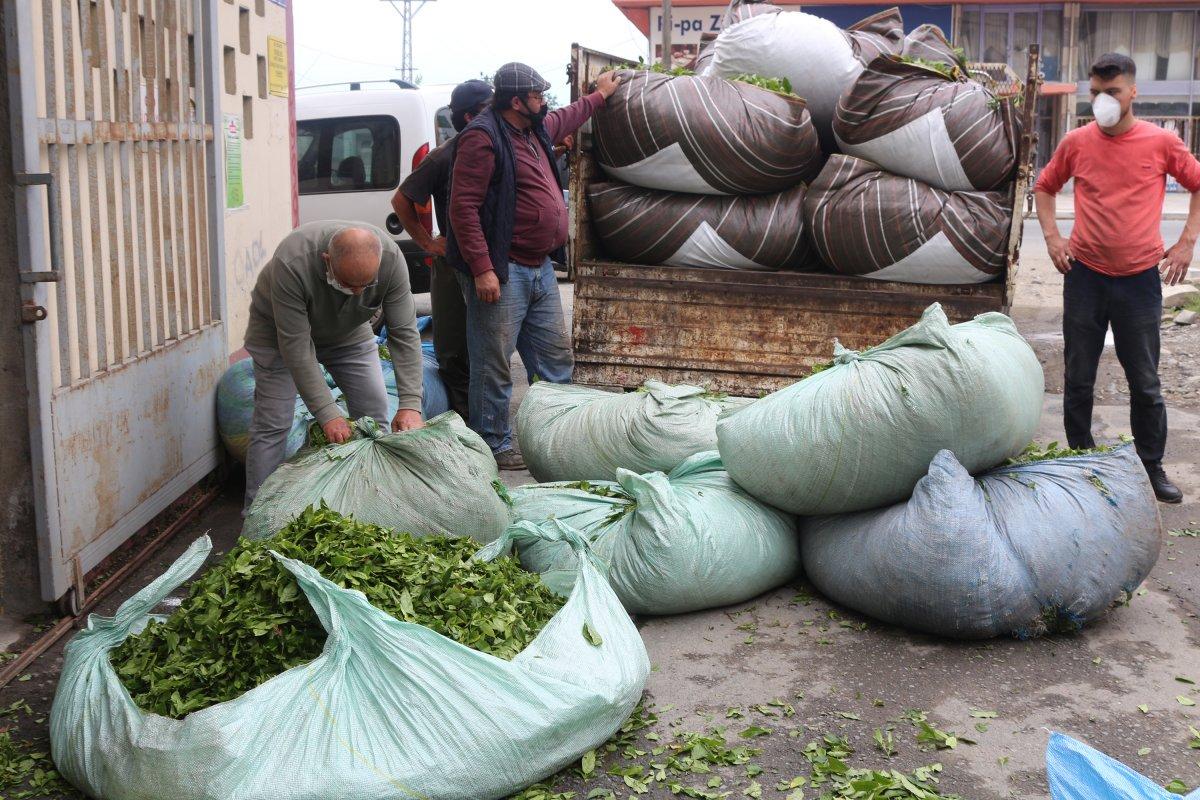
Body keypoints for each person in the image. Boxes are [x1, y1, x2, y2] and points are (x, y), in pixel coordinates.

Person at [1034, 53, 1200, 504]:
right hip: (1085, 275)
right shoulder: (1076, 142)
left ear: (1133, 93)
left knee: (1144, 380)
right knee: (1079, 376)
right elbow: (1045, 186)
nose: (1102, 101)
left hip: (1139, 281)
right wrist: (1052, 238)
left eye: (1112, 92)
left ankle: (1151, 468)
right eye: (1095, 93)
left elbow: (1197, 182)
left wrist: (1186, 242)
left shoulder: (1161, 142)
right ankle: (1081, 463)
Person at [447, 62, 622, 469]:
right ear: (516, 101)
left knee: (554, 362)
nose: (544, 103)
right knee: (494, 365)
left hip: (540, 267)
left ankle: (556, 437)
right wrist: (482, 268)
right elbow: (463, 209)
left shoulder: (533, 128)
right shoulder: (483, 138)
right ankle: (492, 444)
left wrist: (598, 95)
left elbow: (565, 117)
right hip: (503, 270)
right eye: (538, 96)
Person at [243, 222, 425, 508]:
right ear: (327, 260)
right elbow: (297, 348)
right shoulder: (292, 262)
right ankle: (258, 512)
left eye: (364, 286)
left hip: (349, 332)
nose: (355, 293)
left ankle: (376, 502)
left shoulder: (390, 260)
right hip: (278, 335)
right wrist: (328, 414)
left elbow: (404, 332)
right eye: (348, 284)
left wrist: (411, 403)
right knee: (274, 422)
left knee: (375, 415)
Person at [391, 79, 494, 418]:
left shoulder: (499, 148)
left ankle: (491, 422)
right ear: (467, 118)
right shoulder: (442, 157)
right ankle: (466, 426)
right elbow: (402, 200)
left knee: (491, 348)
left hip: (494, 265)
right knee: (454, 350)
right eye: (487, 110)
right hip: (453, 266)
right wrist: (428, 243)